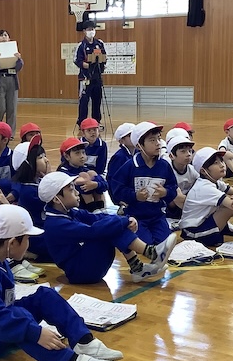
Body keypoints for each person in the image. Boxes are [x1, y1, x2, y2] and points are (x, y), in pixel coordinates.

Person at [0, 204, 122, 361]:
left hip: (0, 322)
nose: (29, 243)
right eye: (27, 238)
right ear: (11, 243)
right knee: (20, 318)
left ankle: (83, 341)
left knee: (45, 295)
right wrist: (35, 333)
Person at [40, 172, 176, 284]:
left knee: (111, 224)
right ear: (57, 199)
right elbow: (91, 231)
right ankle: (151, 253)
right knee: (107, 228)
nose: (77, 192)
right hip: (80, 272)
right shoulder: (56, 224)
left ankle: (138, 267)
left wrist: (126, 219)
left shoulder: (69, 212)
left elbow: (97, 217)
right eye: (71, 190)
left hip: (85, 264)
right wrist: (123, 220)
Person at [110, 122, 176, 253]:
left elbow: (173, 187)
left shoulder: (164, 165)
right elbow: (117, 189)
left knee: (165, 245)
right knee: (146, 246)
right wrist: (135, 196)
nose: (158, 143)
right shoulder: (130, 166)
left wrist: (165, 192)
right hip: (136, 217)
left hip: (157, 216)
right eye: (152, 140)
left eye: (158, 138)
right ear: (139, 145)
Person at [11, 135, 51, 267]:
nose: (46, 160)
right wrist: (50, 179)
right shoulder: (29, 191)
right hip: (36, 237)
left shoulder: (38, 183)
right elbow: (57, 201)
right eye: (40, 157)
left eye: (45, 156)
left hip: (45, 231)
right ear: (28, 164)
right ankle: (30, 253)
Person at [58, 137, 107, 212]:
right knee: (84, 179)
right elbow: (77, 184)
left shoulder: (85, 169)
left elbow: (105, 185)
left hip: (90, 209)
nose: (82, 156)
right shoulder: (63, 172)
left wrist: (96, 184)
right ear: (67, 156)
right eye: (77, 153)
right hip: (75, 210)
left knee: (92, 175)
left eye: (83, 152)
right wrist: (88, 182)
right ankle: (94, 210)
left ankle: (100, 209)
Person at [0, 29, 24, 135]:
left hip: (12, 79)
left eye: (6, 35)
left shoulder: (14, 50)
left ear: (9, 38)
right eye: (1, 36)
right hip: (0, 79)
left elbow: (19, 68)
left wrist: (19, 59)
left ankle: (10, 133)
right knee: (0, 108)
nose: (4, 37)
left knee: (12, 109)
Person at [75, 21, 107, 127]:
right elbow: (77, 60)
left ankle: (96, 122)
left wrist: (101, 64)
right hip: (85, 78)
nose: (91, 31)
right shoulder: (81, 45)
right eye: (89, 29)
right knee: (84, 101)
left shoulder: (99, 44)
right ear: (84, 31)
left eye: (93, 29)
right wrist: (87, 65)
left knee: (97, 100)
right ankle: (82, 122)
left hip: (97, 78)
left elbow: (104, 57)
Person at [164, 135, 198, 221]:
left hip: (186, 203)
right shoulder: (167, 171)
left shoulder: (192, 170)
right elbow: (178, 198)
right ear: (171, 156)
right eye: (183, 151)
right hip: (170, 208)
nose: (188, 154)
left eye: (190, 151)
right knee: (175, 195)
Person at [106, 122, 135, 201]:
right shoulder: (119, 157)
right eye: (130, 135)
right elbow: (112, 180)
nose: (134, 137)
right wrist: (118, 199)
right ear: (121, 140)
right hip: (124, 197)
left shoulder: (138, 154)